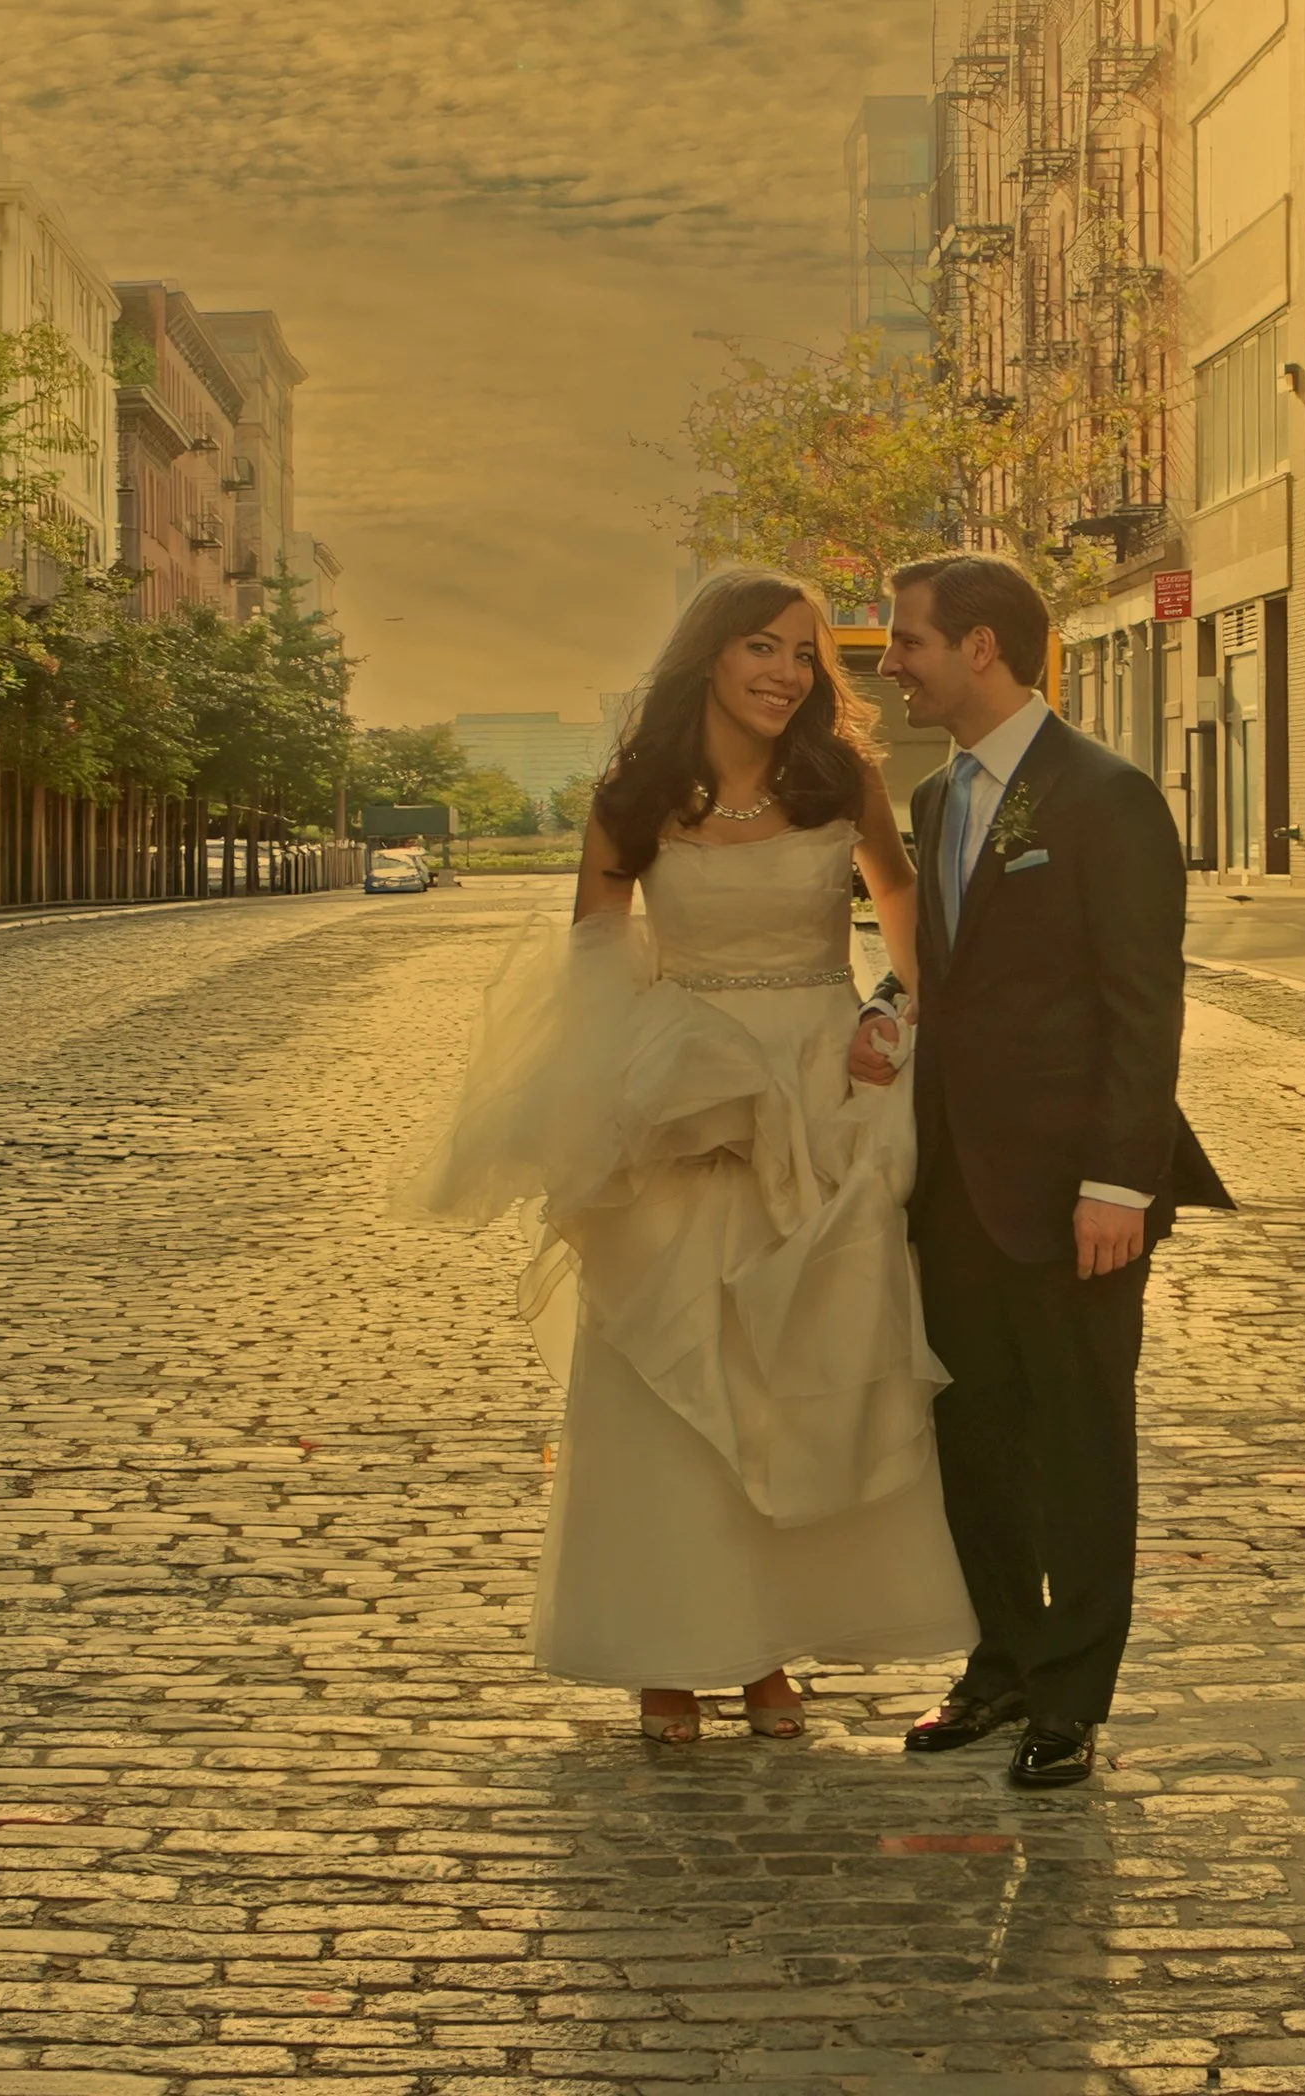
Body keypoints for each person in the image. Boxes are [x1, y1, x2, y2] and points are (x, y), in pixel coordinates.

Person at [409, 570, 972, 1743]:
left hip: (821, 1100)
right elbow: (594, 964)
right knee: (671, 1379)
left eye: (806, 655)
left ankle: (763, 1650)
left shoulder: (842, 780)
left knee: (794, 1369)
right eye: (760, 647)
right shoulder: (632, 797)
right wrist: (636, 1098)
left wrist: (902, 1021)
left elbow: (905, 906)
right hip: (682, 1099)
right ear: (706, 656)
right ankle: (667, 1651)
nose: (783, 673)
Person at [852, 552, 1231, 1791]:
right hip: (952, 1181)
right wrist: (891, 1005)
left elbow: (1141, 1002)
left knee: (1076, 1439)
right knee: (973, 1436)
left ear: (980, 648)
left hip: (1076, 1193)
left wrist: (1118, 1183)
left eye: (907, 640)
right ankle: (999, 1661)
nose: (890, 660)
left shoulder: (1104, 796)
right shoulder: (933, 800)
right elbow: (953, 967)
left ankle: (1071, 1694)